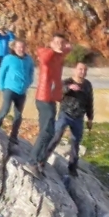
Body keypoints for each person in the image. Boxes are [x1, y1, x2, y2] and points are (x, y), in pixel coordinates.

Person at [35, 61, 94, 175]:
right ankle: (42, 160)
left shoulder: (87, 85)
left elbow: (90, 101)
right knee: (56, 136)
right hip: (65, 114)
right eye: (80, 69)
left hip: (79, 117)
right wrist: (69, 88)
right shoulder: (66, 82)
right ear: (75, 70)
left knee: (76, 142)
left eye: (85, 70)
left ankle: (72, 168)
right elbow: (57, 93)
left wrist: (90, 117)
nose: (82, 72)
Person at [31, 33, 70, 164]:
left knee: (49, 131)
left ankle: (40, 160)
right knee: (46, 132)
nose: (59, 45)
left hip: (51, 98)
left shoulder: (59, 56)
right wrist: (55, 49)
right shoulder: (45, 52)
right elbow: (45, 59)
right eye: (57, 42)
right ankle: (33, 160)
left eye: (61, 42)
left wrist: (64, 47)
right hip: (44, 97)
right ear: (51, 43)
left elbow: (69, 48)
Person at [0, 38, 34, 150]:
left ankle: (14, 136)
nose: (21, 49)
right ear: (14, 48)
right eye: (19, 47)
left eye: (23, 47)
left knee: (18, 115)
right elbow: (2, 72)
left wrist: (28, 82)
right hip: (9, 88)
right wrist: (1, 85)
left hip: (22, 91)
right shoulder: (8, 58)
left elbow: (31, 72)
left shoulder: (29, 59)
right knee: (5, 109)